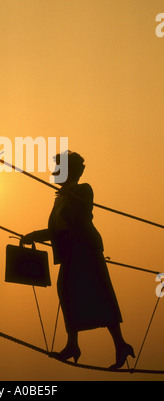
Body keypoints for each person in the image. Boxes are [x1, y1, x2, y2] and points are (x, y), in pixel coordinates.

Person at [21, 151, 134, 369]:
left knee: (100, 293)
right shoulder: (61, 198)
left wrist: (68, 191)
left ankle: (119, 344)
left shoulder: (82, 190)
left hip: (86, 250)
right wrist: (34, 235)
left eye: (58, 169)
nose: (53, 173)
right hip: (71, 253)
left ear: (69, 172)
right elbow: (58, 230)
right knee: (66, 291)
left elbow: (80, 215)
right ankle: (74, 344)